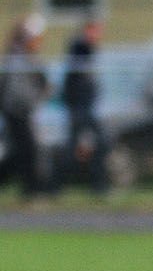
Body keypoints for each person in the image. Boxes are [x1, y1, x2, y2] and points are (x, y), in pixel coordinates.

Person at [0, 13, 50, 199]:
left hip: (22, 111)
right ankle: (31, 190)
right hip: (15, 111)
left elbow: (42, 84)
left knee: (25, 150)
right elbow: (11, 88)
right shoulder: (17, 58)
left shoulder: (28, 58)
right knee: (25, 150)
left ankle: (32, 189)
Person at [61, 20, 109, 196]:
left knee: (90, 145)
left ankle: (96, 186)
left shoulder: (86, 50)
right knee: (97, 143)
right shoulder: (80, 47)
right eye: (95, 31)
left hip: (84, 107)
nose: (98, 36)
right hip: (80, 108)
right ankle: (58, 185)